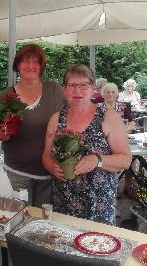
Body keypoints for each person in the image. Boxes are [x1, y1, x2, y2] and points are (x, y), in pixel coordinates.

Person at [42, 64, 131, 225]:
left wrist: (97, 160)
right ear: (65, 89)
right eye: (72, 85)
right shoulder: (56, 119)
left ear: (93, 89)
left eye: (84, 85)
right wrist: (51, 167)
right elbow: (46, 156)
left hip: (98, 207)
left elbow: (125, 160)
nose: (78, 91)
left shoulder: (108, 117)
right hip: (62, 203)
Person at [0, 43, 65, 207]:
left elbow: (71, 116)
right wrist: (1, 134)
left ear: (41, 66)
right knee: (19, 220)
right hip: (17, 173)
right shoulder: (7, 95)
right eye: (25, 61)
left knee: (44, 223)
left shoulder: (54, 90)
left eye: (36, 62)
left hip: (50, 173)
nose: (31, 66)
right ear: (18, 65)